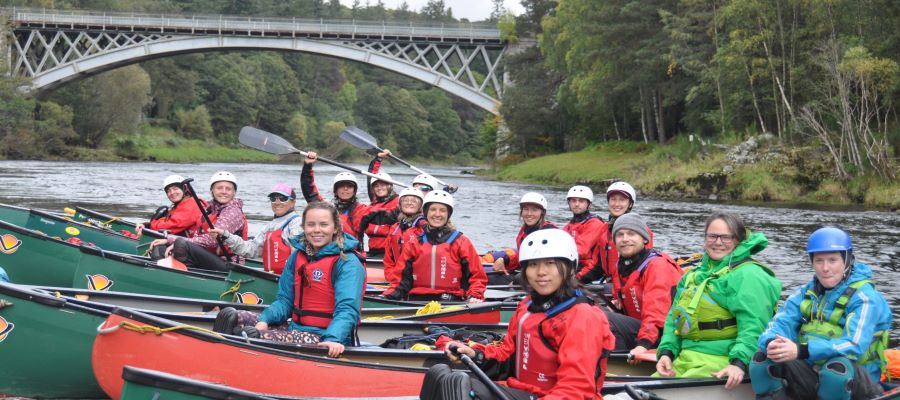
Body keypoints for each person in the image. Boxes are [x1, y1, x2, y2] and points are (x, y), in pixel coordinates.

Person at [421, 229, 616, 400]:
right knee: (439, 375)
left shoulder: (582, 316)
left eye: (550, 263)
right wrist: (476, 354)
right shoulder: (528, 306)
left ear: (569, 268)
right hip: (524, 392)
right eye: (533, 265)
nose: (541, 272)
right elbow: (508, 358)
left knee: (460, 384)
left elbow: (575, 390)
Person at [750, 227, 890, 400]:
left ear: (847, 260)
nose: (825, 268)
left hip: (860, 379)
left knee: (836, 371)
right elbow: (778, 324)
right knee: (761, 360)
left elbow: (855, 345)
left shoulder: (866, 298)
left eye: (832, 260)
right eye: (819, 261)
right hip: (813, 370)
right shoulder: (805, 293)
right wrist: (772, 343)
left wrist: (802, 350)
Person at [213, 202, 366, 358]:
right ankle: (218, 364)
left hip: (326, 337)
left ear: (335, 228)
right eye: (311, 225)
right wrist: (264, 320)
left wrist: (333, 338)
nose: (317, 230)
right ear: (304, 227)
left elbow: (347, 310)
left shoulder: (347, 262)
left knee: (252, 335)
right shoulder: (297, 257)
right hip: (296, 328)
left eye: (324, 225)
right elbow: (284, 301)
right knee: (230, 316)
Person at [655, 212, 781, 390]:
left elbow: (754, 327)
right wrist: (667, 353)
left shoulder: (749, 276)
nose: (718, 242)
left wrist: (738, 363)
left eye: (726, 237)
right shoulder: (692, 276)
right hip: (685, 358)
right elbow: (674, 321)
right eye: (712, 236)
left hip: (721, 362)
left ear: (738, 240)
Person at [383, 190, 487, 303]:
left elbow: (477, 276)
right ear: (426, 213)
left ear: (448, 214)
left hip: (450, 301)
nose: (437, 214)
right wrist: (387, 297)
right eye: (433, 210)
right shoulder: (414, 243)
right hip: (417, 300)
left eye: (442, 210)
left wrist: (475, 295)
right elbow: (400, 280)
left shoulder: (461, 242)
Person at [603, 213, 683, 357]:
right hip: (641, 327)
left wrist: (643, 345)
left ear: (644, 239)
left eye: (631, 234)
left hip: (664, 335)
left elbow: (657, 314)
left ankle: (617, 362)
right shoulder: (622, 264)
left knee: (604, 319)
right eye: (620, 235)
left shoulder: (657, 266)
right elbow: (620, 293)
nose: (625, 239)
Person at [149, 171, 248, 271]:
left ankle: (186, 275)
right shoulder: (210, 209)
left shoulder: (233, 211)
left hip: (229, 264)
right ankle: (161, 274)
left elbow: (211, 240)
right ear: (212, 190)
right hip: (210, 257)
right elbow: (197, 235)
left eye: (228, 189)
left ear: (234, 192)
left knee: (181, 243)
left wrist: (171, 239)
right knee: (159, 247)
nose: (224, 191)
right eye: (219, 188)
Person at [209, 183, 303, 275]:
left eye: (283, 198)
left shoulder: (297, 224)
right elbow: (250, 250)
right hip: (274, 276)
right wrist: (226, 235)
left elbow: (299, 259)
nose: (277, 202)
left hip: (287, 280)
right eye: (273, 199)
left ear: (293, 203)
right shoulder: (270, 226)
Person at [300, 152, 369, 245]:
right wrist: (307, 166)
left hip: (352, 252)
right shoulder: (327, 209)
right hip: (330, 250)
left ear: (354, 191)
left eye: (349, 186)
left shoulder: (362, 210)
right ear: (336, 191)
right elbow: (309, 191)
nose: (345, 189)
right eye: (341, 186)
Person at [490, 192, 558, 285]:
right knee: (492, 277)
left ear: (542, 212)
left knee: (518, 279)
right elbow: (523, 256)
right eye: (526, 209)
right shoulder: (524, 231)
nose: (529, 214)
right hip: (528, 272)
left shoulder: (550, 231)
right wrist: (504, 259)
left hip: (545, 277)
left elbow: (552, 264)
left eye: (534, 210)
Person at [595, 181, 654, 285]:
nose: (617, 204)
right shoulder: (603, 229)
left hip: (631, 284)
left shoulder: (641, 230)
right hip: (610, 283)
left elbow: (643, 264)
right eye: (613, 199)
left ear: (630, 204)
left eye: (622, 200)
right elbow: (597, 264)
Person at [135, 174, 204, 257]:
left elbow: (172, 226)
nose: (172, 193)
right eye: (169, 191)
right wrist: (146, 225)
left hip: (194, 247)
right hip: (184, 242)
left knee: (158, 246)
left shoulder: (192, 204)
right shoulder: (179, 205)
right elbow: (166, 220)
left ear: (184, 189)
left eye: (175, 189)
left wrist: (149, 226)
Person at [377, 187, 426, 285]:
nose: (409, 203)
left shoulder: (424, 227)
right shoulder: (395, 228)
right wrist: (391, 276)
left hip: (417, 280)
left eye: (414, 201)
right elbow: (388, 258)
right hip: (396, 279)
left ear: (420, 206)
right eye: (406, 200)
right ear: (400, 205)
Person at [561, 185, 605, 284]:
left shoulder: (595, 223)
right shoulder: (569, 225)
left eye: (581, 201)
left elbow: (581, 250)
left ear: (588, 204)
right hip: (574, 264)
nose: (576, 204)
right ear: (569, 203)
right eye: (573, 201)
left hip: (590, 268)